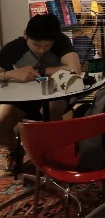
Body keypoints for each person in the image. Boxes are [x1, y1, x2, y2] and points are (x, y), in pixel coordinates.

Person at [0, 14, 81, 174]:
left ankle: (54, 158)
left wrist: (41, 70)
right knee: (1, 126)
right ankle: (15, 151)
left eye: (47, 46)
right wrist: (10, 74)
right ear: (25, 35)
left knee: (50, 114)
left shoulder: (60, 41)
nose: (42, 50)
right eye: (36, 45)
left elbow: (74, 70)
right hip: (22, 98)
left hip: (55, 94)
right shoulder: (13, 48)